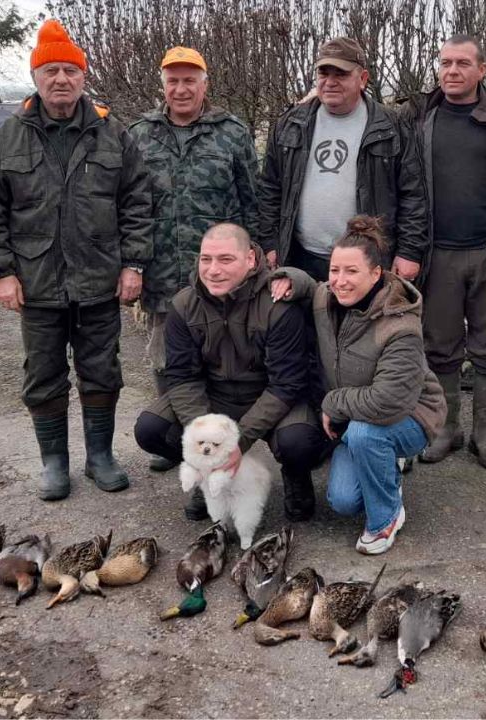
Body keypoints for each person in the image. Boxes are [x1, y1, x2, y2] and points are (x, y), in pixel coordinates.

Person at [0, 19, 152, 502]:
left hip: (99, 277)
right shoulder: (6, 138)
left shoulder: (112, 134)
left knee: (102, 369)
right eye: (51, 71)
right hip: (37, 281)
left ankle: (100, 457)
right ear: (36, 78)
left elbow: (137, 201)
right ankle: (54, 463)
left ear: (83, 77)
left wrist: (134, 264)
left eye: (70, 70)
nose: (61, 80)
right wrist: (1, 272)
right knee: (44, 372)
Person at [270, 216, 445, 555]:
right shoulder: (327, 298)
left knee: (367, 435)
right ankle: (384, 466)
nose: (340, 281)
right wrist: (288, 278)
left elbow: (389, 401)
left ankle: (385, 520)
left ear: (376, 274)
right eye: (335, 270)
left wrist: (333, 403)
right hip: (357, 413)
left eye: (351, 272)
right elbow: (310, 284)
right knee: (344, 501)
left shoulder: (400, 326)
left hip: (410, 415)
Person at [132, 223, 329, 522]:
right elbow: (183, 379)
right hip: (215, 400)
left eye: (226, 259)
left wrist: (237, 443)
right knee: (150, 428)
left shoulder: (278, 305)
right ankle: (207, 478)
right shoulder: (184, 306)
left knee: (298, 442)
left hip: (272, 398)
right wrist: (206, 440)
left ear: (250, 259)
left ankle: (295, 477)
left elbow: (286, 385)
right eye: (205, 259)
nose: (213, 270)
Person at [400, 34, 486, 470]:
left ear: (482, 69)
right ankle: (446, 429)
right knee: (440, 348)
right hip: (437, 255)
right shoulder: (420, 112)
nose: (451, 71)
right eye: (445, 63)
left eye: (461, 63)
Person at [128, 45, 260, 471]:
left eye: (189, 81)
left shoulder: (232, 133)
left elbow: (250, 201)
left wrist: (254, 257)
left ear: (205, 85)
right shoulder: (139, 134)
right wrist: (130, 263)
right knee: (165, 357)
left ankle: (225, 435)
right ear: (162, 86)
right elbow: (128, 205)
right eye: (173, 81)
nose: (181, 89)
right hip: (163, 270)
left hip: (220, 273)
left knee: (222, 356)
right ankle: (176, 438)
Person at [254, 37, 427, 283]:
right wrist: (270, 243)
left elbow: (413, 195)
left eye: (341, 74)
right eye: (324, 73)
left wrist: (409, 252)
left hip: (367, 260)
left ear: (363, 79)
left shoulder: (393, 127)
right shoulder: (290, 123)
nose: (330, 82)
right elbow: (270, 189)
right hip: (300, 257)